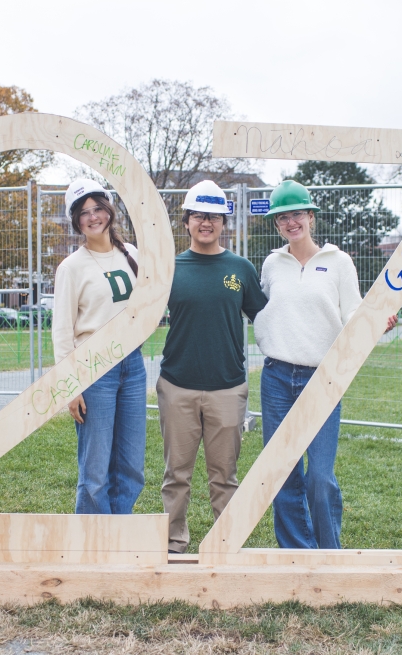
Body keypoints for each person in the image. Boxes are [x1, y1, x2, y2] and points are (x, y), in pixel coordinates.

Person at [253, 180, 396, 549]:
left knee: (319, 475)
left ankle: (329, 553)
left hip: (323, 378)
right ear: (276, 224)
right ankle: (297, 553)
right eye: (282, 217)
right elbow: (264, 309)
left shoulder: (338, 262)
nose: (291, 222)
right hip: (277, 377)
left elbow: (353, 313)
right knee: (282, 471)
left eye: (297, 214)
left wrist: (375, 323)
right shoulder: (272, 264)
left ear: (311, 217)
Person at [157, 180, 267, 554]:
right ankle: (173, 542)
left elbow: (267, 318)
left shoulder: (241, 268)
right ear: (186, 221)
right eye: (199, 215)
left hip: (227, 387)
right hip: (177, 385)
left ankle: (226, 544)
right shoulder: (169, 268)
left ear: (224, 223)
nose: (206, 222)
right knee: (176, 475)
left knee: (224, 477)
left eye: (214, 217)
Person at [54, 178, 147, 515]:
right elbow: (62, 331)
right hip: (93, 369)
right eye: (84, 212)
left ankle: (118, 531)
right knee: (95, 469)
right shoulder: (71, 268)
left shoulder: (131, 254)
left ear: (109, 210)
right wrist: (71, 386)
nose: (93, 217)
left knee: (131, 464)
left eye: (98, 208)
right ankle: (92, 537)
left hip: (132, 365)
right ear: (76, 221)